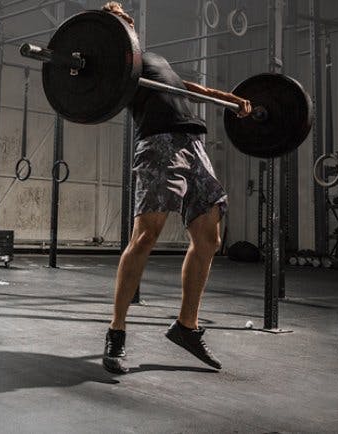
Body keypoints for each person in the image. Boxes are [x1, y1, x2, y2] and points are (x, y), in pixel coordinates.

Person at [100, 2, 252, 374]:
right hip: (159, 143)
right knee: (145, 236)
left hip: (193, 143)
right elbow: (94, 95)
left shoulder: (152, 59)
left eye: (128, 22)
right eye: (118, 24)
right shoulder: (112, 66)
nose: (128, 28)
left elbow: (187, 87)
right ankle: (116, 333)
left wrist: (229, 100)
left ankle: (186, 326)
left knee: (210, 237)